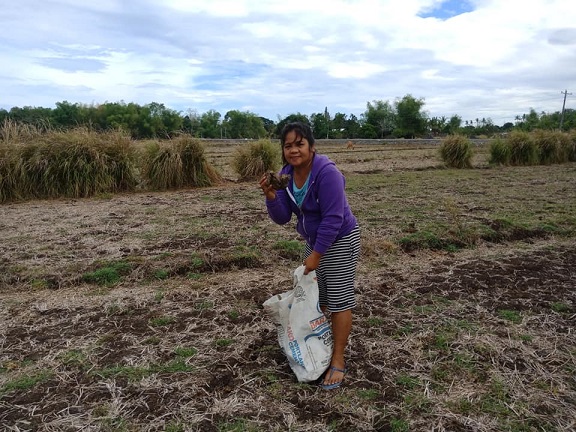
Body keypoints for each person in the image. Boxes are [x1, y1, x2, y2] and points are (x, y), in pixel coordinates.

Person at [259, 122, 360, 390]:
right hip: (315, 240)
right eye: (288, 145)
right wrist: (271, 196)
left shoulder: (327, 174)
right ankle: (317, 343)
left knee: (338, 299)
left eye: (299, 144)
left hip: (339, 238)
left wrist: (316, 255)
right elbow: (282, 217)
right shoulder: (286, 175)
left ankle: (337, 360)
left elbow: (333, 219)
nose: (293, 150)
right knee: (317, 297)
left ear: (311, 147)